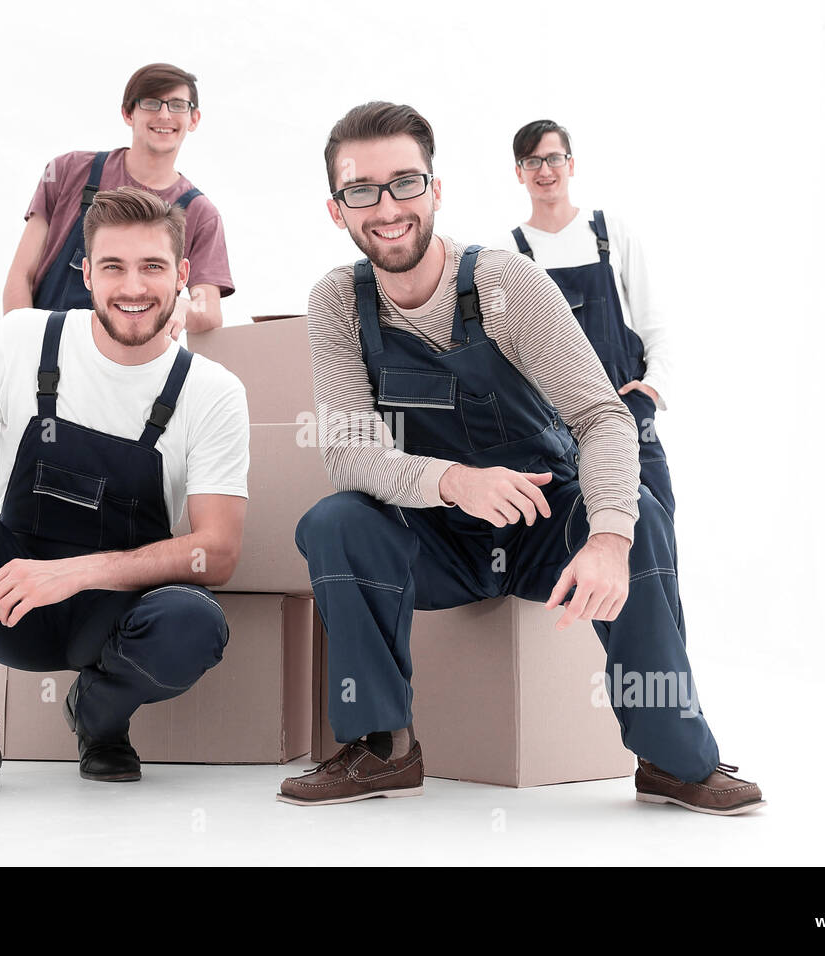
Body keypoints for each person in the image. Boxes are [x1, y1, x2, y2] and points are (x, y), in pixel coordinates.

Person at [278, 102, 764, 815]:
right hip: (436, 535)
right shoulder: (336, 303)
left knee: (643, 521)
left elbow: (603, 418)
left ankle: (671, 757)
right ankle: (381, 747)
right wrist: (452, 482)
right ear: (336, 210)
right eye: (363, 190)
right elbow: (350, 451)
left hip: (544, 528)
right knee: (334, 522)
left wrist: (605, 538)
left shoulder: (508, 285)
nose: (387, 207)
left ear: (436, 190)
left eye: (406, 183)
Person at [0, 187, 250, 802]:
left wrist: (73, 574)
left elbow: (220, 551)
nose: (134, 287)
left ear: (183, 274)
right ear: (85, 272)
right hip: (6, 601)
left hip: (112, 618)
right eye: (113, 266)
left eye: (153, 267)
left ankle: (99, 719)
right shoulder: (24, 339)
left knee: (195, 622)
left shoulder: (211, 391)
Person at [497, 120, 676, 517]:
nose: (545, 170)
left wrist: (651, 390)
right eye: (532, 160)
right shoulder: (508, 254)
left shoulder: (609, 232)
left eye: (554, 158)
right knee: (572, 534)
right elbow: (504, 354)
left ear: (571, 164)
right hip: (552, 425)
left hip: (626, 414)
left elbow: (654, 325)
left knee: (653, 520)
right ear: (518, 172)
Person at [3, 62, 233, 337]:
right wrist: (25, 347)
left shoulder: (200, 213)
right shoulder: (68, 171)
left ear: (193, 119)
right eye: (151, 103)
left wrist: (183, 306)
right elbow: (21, 276)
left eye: (177, 105)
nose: (164, 114)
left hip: (134, 370)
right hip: (48, 355)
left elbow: (209, 309)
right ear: (127, 113)